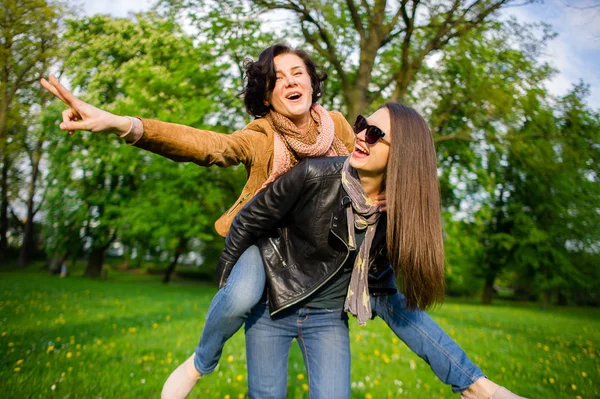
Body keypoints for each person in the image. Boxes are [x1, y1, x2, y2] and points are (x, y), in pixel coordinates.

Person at [41, 44, 521, 399]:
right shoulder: (261, 135)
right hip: (263, 241)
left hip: (319, 262)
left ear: (312, 82)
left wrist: (391, 205)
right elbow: (209, 146)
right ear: (266, 95)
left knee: (388, 294)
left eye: (298, 72)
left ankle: (473, 385)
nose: (290, 81)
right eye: (276, 77)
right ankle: (200, 361)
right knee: (244, 294)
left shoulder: (340, 128)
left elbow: (377, 167)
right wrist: (124, 124)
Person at [219, 103, 525, 399]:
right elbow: (248, 221)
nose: (362, 134)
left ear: (402, 157)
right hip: (274, 304)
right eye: (362, 124)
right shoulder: (318, 175)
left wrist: (398, 207)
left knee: (396, 312)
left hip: (326, 317)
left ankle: (475, 386)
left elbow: (386, 296)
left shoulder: (389, 215)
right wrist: (228, 290)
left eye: (376, 133)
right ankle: (475, 387)